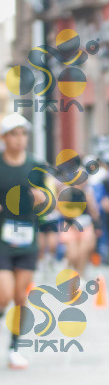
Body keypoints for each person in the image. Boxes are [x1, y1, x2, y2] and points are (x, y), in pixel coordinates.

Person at [0, 112, 50, 370]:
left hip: (28, 237)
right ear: (4, 138)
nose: (20, 139)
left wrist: (43, 200)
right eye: (14, 134)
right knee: (4, 293)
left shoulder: (35, 166)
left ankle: (14, 348)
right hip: (2, 238)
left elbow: (49, 201)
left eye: (23, 134)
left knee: (20, 296)